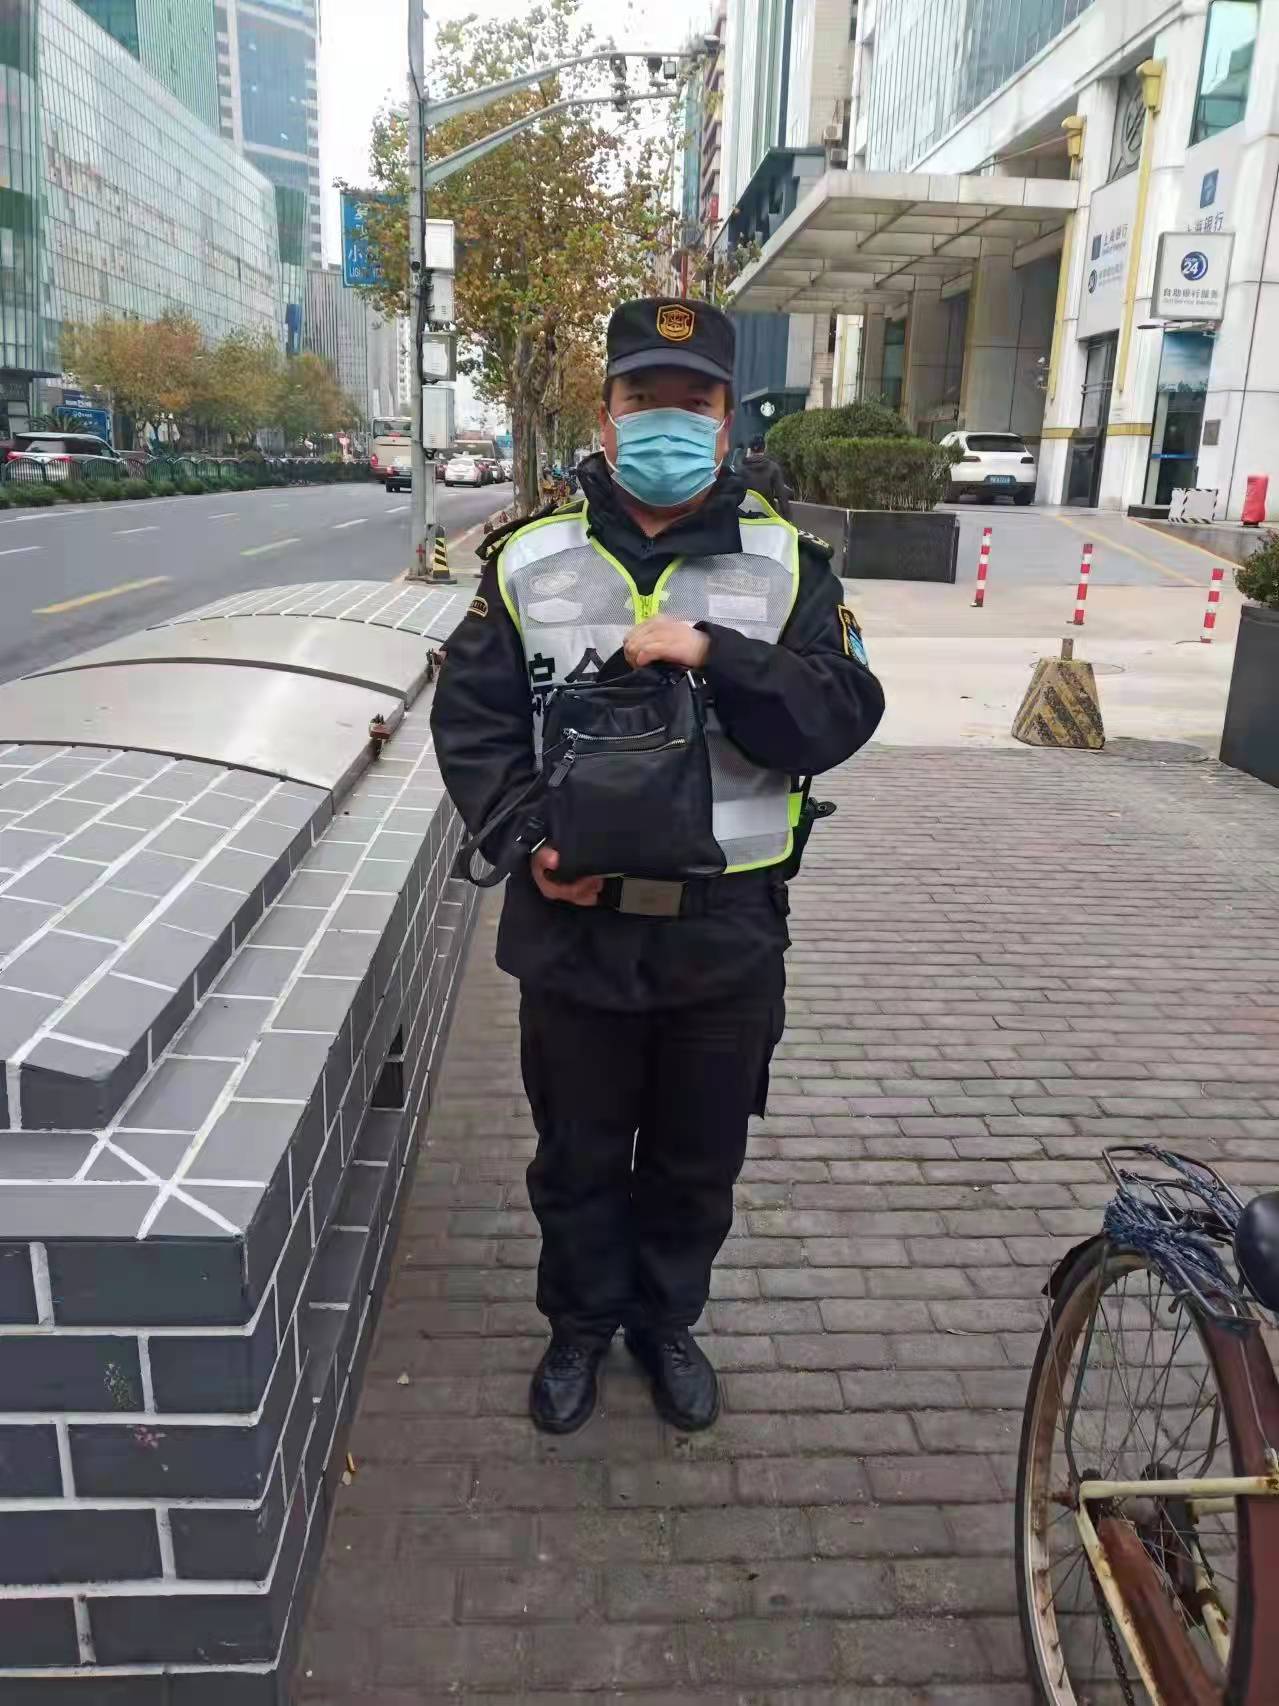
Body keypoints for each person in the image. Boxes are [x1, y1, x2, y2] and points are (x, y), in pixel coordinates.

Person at [430, 297, 884, 1436]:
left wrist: (718, 654)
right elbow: (475, 725)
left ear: (727, 422)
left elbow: (839, 713)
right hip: (572, 921)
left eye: (693, 400)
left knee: (696, 1158)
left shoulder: (787, 562)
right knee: (576, 1154)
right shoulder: (527, 558)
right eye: (644, 398)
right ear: (606, 414)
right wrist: (530, 840)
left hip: (724, 929)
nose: (666, 420)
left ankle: (665, 1322)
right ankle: (580, 1327)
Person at [739, 432, 791, 513]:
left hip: (746, 515)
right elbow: (782, 497)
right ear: (765, 448)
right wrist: (787, 518)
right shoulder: (773, 468)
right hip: (767, 515)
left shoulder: (741, 470)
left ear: (749, 449)